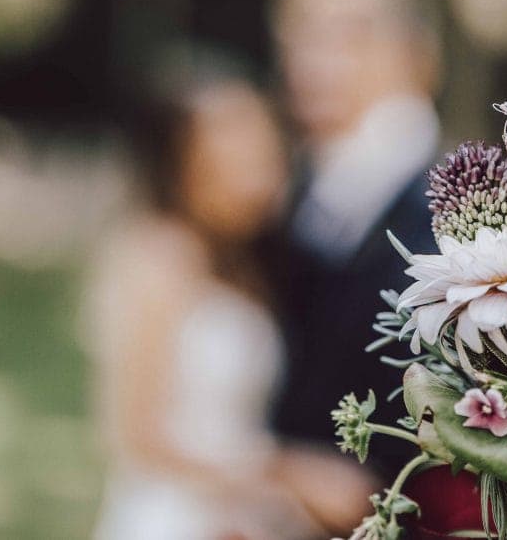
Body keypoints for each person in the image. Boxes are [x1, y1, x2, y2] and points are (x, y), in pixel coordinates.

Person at [86, 60, 375, 540]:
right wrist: (292, 475)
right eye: (232, 158)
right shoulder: (157, 257)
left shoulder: (244, 260)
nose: (256, 176)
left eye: (263, 153)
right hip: (175, 515)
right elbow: (135, 435)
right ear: (182, 163)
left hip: (244, 517)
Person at [268, 0, 444, 472]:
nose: (312, 59)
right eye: (297, 35)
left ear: (418, 54)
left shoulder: (454, 210)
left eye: (346, 35)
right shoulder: (285, 185)